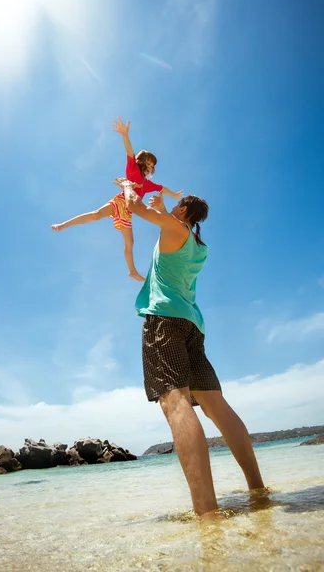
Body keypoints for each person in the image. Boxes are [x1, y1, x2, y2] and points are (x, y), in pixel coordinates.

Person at [114, 177, 265, 519]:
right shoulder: (197, 244)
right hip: (192, 325)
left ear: (183, 210)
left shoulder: (173, 228)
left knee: (175, 401)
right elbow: (165, 220)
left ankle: (207, 513)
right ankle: (257, 489)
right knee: (216, 405)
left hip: (165, 320)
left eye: (176, 208)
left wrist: (128, 185)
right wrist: (162, 207)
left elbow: (134, 207)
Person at [51, 118, 183, 281]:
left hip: (128, 212)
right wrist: (124, 135)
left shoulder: (147, 184)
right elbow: (129, 153)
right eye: (148, 163)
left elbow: (161, 188)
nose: (150, 167)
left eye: (152, 166)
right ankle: (63, 225)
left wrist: (175, 195)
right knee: (96, 214)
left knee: (130, 243)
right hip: (120, 201)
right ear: (141, 162)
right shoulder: (133, 169)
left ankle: (132, 271)